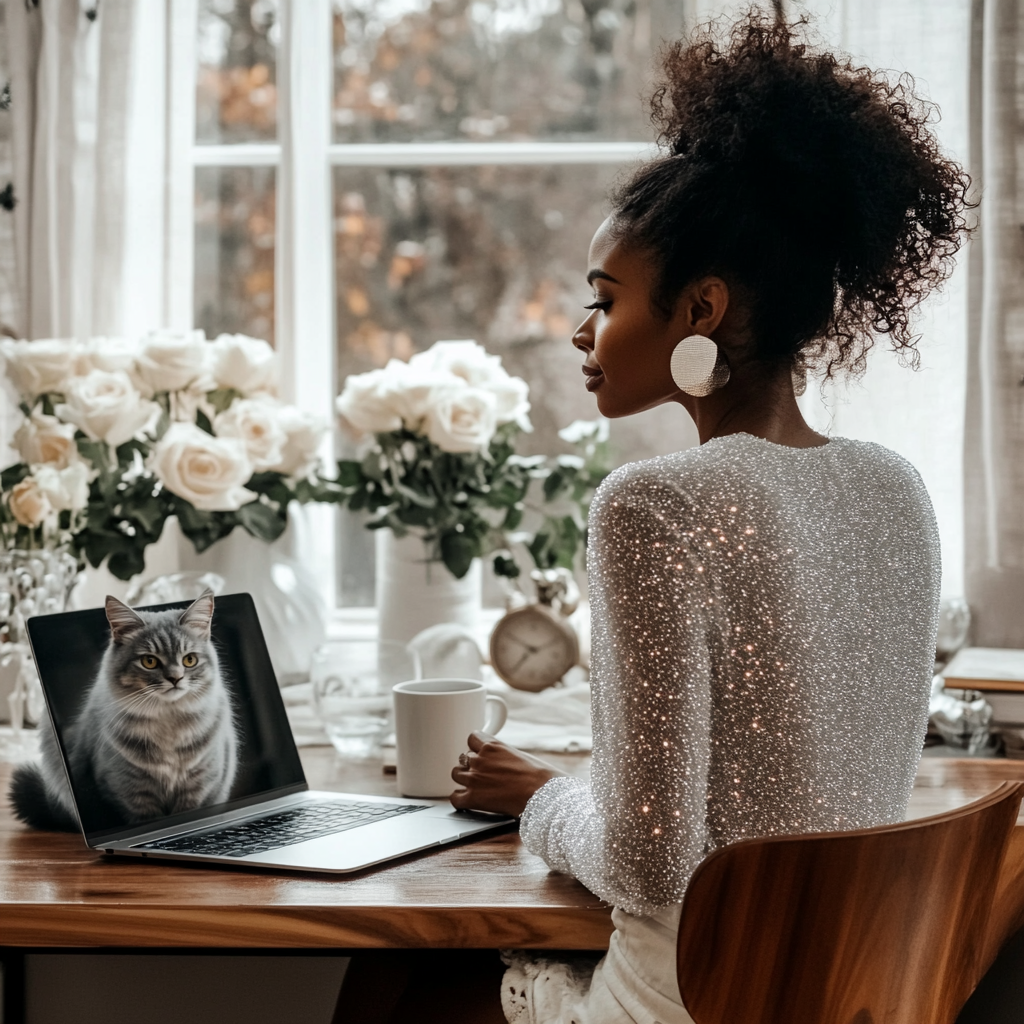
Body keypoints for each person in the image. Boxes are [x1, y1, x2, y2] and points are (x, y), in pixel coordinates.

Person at [332, 9, 972, 1024]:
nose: (582, 330)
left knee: (387, 979)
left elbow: (645, 861)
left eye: (605, 298)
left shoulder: (655, 507)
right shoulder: (894, 487)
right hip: (838, 997)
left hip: (686, 1003)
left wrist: (536, 795)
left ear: (699, 309)